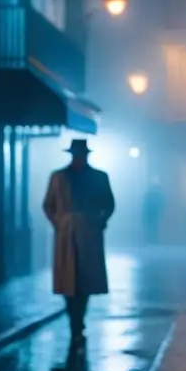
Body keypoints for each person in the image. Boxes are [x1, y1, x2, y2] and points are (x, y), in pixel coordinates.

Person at [42, 139, 116, 345]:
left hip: (89, 233)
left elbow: (109, 203)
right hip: (66, 234)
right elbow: (48, 204)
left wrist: (98, 221)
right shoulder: (58, 177)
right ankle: (74, 321)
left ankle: (79, 320)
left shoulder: (99, 177)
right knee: (67, 279)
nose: (78, 158)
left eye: (81, 154)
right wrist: (59, 223)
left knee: (85, 278)